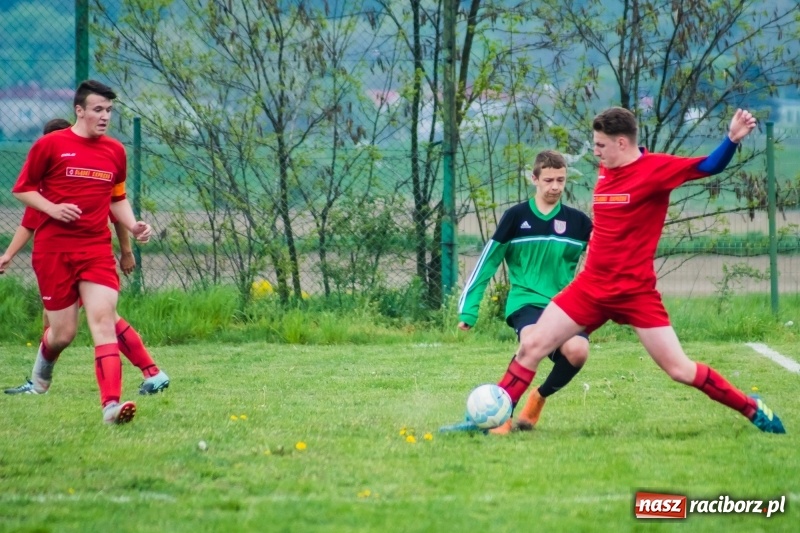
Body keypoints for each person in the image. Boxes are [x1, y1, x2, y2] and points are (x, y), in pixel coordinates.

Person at [483, 107, 784, 434]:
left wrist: (731, 139)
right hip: (591, 287)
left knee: (680, 370)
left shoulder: (656, 170)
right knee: (532, 346)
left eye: (600, 145)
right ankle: (497, 419)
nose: (595, 151)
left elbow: (708, 166)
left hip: (634, 293)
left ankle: (752, 408)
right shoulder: (605, 167)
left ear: (622, 143)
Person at [11, 80, 154, 425]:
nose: (105, 116)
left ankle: (111, 406)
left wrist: (133, 226)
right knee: (62, 334)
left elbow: (117, 199)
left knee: (104, 321)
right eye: (98, 110)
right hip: (54, 251)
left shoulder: (115, 151)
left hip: (95, 249)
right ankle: (40, 379)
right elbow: (23, 189)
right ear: (80, 110)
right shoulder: (51, 145)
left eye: (109, 110)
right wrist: (53, 208)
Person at [440, 151, 593, 434]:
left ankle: (539, 397)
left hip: (565, 305)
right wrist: (469, 310)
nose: (555, 186)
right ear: (534, 179)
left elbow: (602, 262)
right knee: (532, 341)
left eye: (561, 180)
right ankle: (501, 415)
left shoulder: (579, 223)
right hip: (527, 301)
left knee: (578, 351)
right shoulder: (516, 217)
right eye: (548, 180)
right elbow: (487, 262)